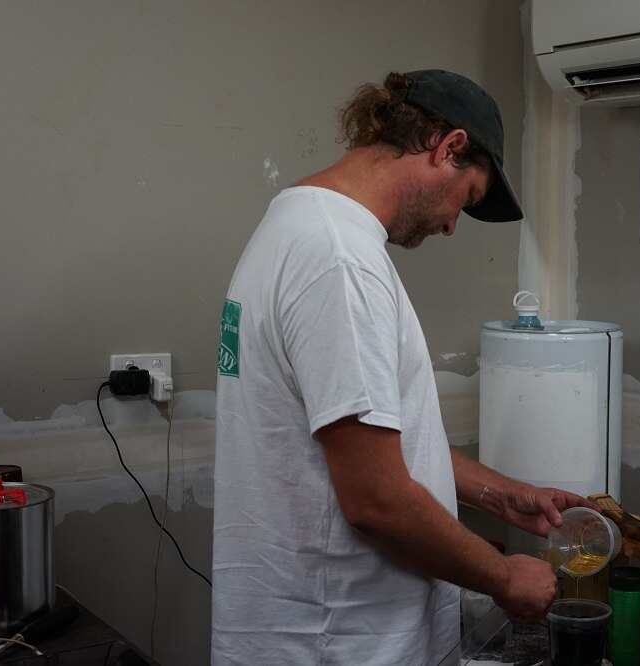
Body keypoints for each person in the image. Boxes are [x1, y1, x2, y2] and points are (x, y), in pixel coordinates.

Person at [211, 69, 598, 665]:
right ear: (447, 148)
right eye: (464, 200)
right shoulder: (340, 263)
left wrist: (504, 496)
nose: (449, 225)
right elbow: (377, 498)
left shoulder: (296, 225)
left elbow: (369, 448)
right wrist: (503, 577)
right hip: (338, 641)